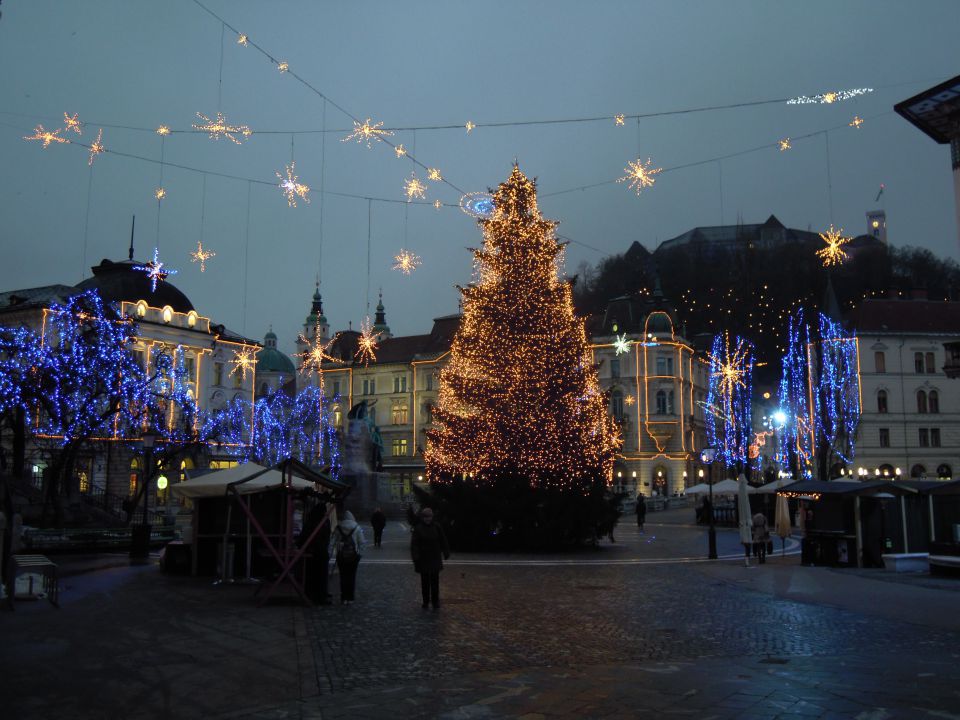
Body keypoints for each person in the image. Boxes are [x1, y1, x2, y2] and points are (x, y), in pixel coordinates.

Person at [410, 507, 450, 610]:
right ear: (423, 518)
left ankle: (435, 602)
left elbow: (443, 539)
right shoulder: (418, 528)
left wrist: (446, 551)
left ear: (432, 517)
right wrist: (416, 556)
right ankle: (426, 601)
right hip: (423, 559)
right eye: (426, 517)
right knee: (425, 582)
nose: (428, 519)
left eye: (429, 517)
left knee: (435, 582)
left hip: (435, 557)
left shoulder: (437, 527)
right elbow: (414, 544)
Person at [298, 500, 332, 604]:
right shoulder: (323, 521)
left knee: (313, 575)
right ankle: (319, 596)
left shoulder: (313, 520)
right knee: (320, 576)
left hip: (314, 551)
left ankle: (313, 594)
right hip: (319, 552)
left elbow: (305, 535)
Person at [329, 510, 365, 604]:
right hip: (353, 556)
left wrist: (330, 554)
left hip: (341, 556)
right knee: (351, 576)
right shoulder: (357, 527)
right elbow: (362, 543)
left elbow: (332, 543)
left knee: (343, 576)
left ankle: (344, 597)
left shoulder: (338, 528)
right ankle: (350, 598)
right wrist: (359, 553)